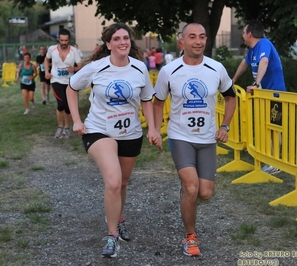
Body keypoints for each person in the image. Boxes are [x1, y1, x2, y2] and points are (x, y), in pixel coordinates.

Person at [66, 22, 162, 258]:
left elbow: (147, 99)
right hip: (99, 130)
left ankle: (118, 218)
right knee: (113, 180)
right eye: (117, 39)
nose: (123, 42)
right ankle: (112, 236)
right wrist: (76, 121)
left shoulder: (140, 68)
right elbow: (71, 88)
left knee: (123, 183)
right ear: (108, 44)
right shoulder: (97, 67)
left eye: (126, 38)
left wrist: (153, 128)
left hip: (130, 133)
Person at [153, 23, 236, 257]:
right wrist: (156, 130)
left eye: (202, 37)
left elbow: (231, 97)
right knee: (191, 186)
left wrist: (224, 126)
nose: (198, 41)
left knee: (205, 192)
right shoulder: (169, 71)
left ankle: (187, 193)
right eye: (192, 37)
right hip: (180, 137)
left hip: (208, 138)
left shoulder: (216, 68)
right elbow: (158, 102)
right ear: (182, 41)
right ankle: (190, 237)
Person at [232, 20, 286, 175]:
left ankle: (275, 163)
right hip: (264, 94)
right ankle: (269, 160)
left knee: (274, 128)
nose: (242, 35)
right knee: (266, 127)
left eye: (243, 32)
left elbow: (264, 61)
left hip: (275, 93)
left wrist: (255, 83)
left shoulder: (264, 44)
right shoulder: (253, 50)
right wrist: (233, 80)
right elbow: (244, 64)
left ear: (250, 34)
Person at [45, 28, 83, 138]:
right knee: (61, 104)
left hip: (70, 82)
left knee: (68, 106)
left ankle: (67, 128)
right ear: (59, 39)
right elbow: (46, 60)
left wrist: (74, 69)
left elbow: (80, 65)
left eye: (66, 40)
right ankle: (59, 127)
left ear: (69, 40)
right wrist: (47, 71)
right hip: (56, 80)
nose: (63, 43)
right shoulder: (52, 49)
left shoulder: (74, 51)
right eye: (61, 40)